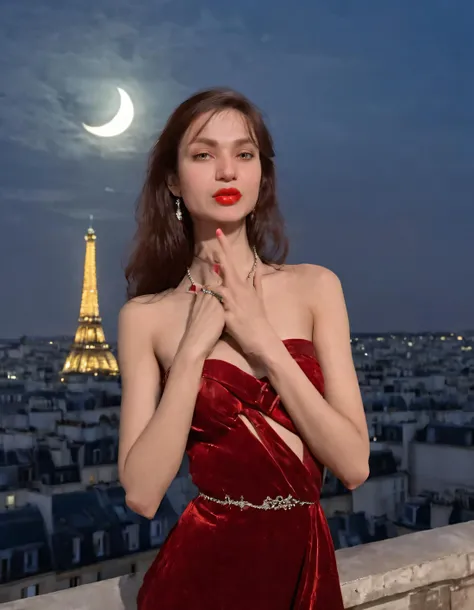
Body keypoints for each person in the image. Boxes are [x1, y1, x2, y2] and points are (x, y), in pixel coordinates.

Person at [117, 87, 370, 609]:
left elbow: (354, 465)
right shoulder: (145, 318)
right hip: (197, 578)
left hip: (302, 567)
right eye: (204, 154)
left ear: (262, 174)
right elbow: (142, 494)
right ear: (173, 180)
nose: (227, 171)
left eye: (245, 154)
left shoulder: (316, 287)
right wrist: (190, 355)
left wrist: (264, 344)